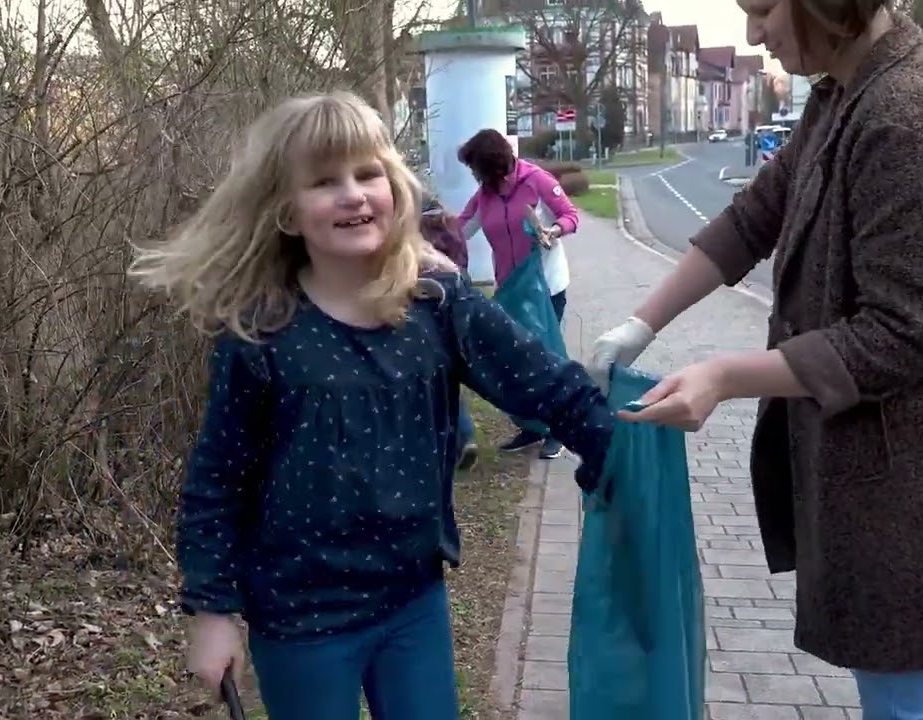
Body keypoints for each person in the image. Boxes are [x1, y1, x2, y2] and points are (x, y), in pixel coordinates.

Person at [588, 4, 923, 720]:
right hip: (893, 476)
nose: (751, 34)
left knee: (913, 702)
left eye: (763, 8)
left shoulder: (911, 116)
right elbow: (752, 219)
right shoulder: (844, 94)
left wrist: (724, 378)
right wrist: (639, 324)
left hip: (922, 486)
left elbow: (898, 335)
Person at [129, 92, 616, 720]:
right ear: (286, 212)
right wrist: (212, 611)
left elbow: (548, 386)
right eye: (325, 182)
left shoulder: (438, 303)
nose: (354, 194)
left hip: (412, 602)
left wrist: (620, 450)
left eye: (368, 173)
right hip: (300, 616)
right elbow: (217, 481)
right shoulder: (261, 333)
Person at [456, 128, 579, 460]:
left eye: (477, 169)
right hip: (511, 289)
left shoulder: (537, 181)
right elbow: (462, 227)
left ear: (494, 164)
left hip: (546, 287)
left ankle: (560, 429)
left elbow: (571, 216)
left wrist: (552, 231)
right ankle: (532, 426)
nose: (475, 177)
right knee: (518, 364)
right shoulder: (486, 193)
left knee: (547, 361)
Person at [418, 191, 479, 471]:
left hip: (428, 304)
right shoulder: (451, 226)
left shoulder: (417, 232)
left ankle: (460, 437)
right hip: (456, 297)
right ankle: (463, 437)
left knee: (440, 375)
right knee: (451, 370)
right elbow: (462, 263)